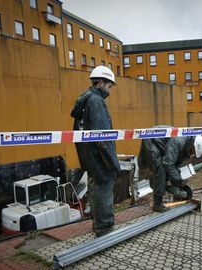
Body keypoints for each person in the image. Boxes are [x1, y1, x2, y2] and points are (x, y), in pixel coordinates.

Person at [70, 66, 120, 237]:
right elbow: (103, 138)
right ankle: (104, 229)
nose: (109, 90)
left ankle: (99, 225)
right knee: (103, 189)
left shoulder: (84, 100)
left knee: (96, 189)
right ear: (100, 82)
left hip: (88, 156)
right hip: (99, 157)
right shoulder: (96, 102)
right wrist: (113, 164)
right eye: (108, 86)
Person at [138, 127, 202, 212]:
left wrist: (178, 183)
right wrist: (178, 180)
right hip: (152, 141)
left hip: (161, 144)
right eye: (194, 152)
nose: (193, 154)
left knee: (168, 171)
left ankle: (164, 189)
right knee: (160, 171)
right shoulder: (179, 142)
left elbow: (175, 165)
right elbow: (168, 163)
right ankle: (157, 204)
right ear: (193, 146)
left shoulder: (186, 146)